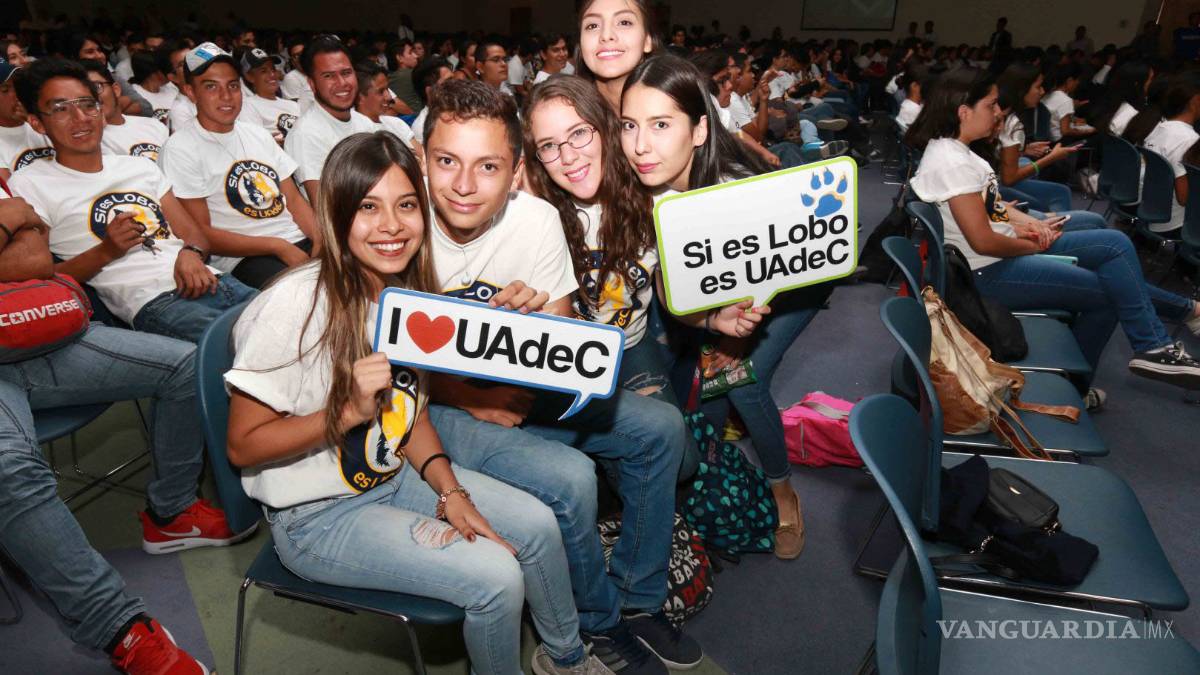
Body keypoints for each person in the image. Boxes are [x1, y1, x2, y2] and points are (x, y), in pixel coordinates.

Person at [224, 130, 608, 675]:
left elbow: (411, 411)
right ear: (336, 214)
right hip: (317, 516)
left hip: (392, 474)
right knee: (498, 579)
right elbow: (242, 446)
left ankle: (566, 660)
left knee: (540, 524)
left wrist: (450, 491)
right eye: (368, 207)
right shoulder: (293, 305)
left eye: (406, 205)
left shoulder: (407, 294)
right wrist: (346, 414)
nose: (391, 225)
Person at [422, 79, 703, 674]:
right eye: (447, 162)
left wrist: (533, 327)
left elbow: (562, 342)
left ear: (514, 172)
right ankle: (595, 624)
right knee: (572, 476)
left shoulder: (538, 217)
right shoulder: (400, 222)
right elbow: (377, 363)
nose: (465, 184)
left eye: (487, 166)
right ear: (423, 160)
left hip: (520, 387)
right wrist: (470, 395)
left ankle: (638, 599)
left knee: (662, 430)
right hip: (429, 406)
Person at [0, 195, 250, 675]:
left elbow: (34, 259)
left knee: (185, 365)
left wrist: (16, 231)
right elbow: (22, 241)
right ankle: (123, 630)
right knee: (10, 469)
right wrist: (7, 222)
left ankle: (172, 513)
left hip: (42, 332)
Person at [621, 54, 829, 560]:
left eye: (661, 125)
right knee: (708, 386)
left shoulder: (731, 188)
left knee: (743, 381)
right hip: (717, 297)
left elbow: (780, 272)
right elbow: (671, 287)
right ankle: (716, 485)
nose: (641, 145)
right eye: (629, 125)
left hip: (789, 287)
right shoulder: (642, 190)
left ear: (698, 131)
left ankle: (783, 492)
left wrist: (728, 334)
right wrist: (712, 320)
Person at [906, 67, 1200, 391]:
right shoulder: (953, 162)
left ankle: (1151, 344)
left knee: (1107, 243)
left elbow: (989, 208)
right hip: (985, 272)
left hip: (987, 262)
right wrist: (1034, 244)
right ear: (964, 112)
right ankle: (1119, 363)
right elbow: (983, 241)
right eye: (990, 105)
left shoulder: (956, 152)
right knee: (1110, 273)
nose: (997, 111)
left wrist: (1029, 225)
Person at [9, 58, 257, 343]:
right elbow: (45, 276)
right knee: (256, 347)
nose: (80, 118)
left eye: (88, 105)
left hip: (214, 280)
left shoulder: (139, 167)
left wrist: (189, 253)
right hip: (155, 302)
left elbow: (194, 235)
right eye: (61, 109)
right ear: (37, 123)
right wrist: (107, 251)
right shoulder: (29, 184)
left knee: (294, 325)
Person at [158, 43, 318, 290]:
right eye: (211, 87)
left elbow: (295, 200)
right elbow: (200, 232)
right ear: (190, 92)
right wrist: (277, 246)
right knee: (305, 292)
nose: (226, 96)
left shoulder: (257, 134)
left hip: (295, 239)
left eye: (232, 85)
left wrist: (321, 239)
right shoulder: (180, 148)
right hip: (245, 257)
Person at [284, 35, 377, 202]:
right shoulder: (306, 134)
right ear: (312, 84)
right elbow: (323, 205)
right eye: (328, 76)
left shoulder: (364, 123)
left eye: (346, 73)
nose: (342, 83)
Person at [994, 62, 1092, 215]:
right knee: (1060, 194)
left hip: (990, 181)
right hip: (996, 187)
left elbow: (997, 150)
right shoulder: (1013, 123)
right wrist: (1051, 158)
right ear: (1022, 89)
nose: (1042, 91)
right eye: (1038, 87)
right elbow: (1009, 179)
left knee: (1059, 191)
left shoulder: (1000, 113)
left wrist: (1024, 150)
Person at [1141, 71, 1200, 239]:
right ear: (1195, 101)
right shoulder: (1189, 140)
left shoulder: (1158, 129)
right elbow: (1184, 198)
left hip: (1153, 212)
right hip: (1179, 222)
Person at [577, 0, 656, 111]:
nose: (606, 35)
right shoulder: (565, 113)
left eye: (624, 23)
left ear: (647, 40)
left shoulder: (676, 107)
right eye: (593, 26)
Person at [80, 61, 168, 161]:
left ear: (116, 90)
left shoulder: (154, 125)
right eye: (82, 93)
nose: (92, 96)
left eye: (96, 87)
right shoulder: (90, 141)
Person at [0, 58, 53, 181]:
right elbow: (9, 189)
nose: (16, 94)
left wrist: (36, 122)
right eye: (5, 90)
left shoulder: (43, 119)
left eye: (17, 85)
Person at [238, 47, 300, 143]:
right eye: (263, 71)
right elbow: (254, 142)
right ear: (249, 76)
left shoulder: (293, 105)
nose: (272, 75)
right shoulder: (248, 106)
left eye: (273, 70)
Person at [354, 60, 418, 150]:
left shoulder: (396, 123)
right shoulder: (356, 136)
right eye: (381, 92)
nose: (389, 97)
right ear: (360, 97)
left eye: (388, 89)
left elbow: (421, 155)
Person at [1089, 61, 1154, 137]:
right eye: (1150, 79)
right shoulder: (1131, 112)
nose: (1152, 83)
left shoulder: (1108, 99)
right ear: (1137, 83)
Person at [1041, 63, 1094, 142]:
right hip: (1060, 141)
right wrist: (1087, 131)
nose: (1078, 83)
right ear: (1070, 80)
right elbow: (1065, 131)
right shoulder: (1066, 100)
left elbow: (1056, 117)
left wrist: (1074, 119)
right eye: (1077, 80)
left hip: (1048, 137)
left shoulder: (1048, 94)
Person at [409, 56, 454, 144]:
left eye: (454, 79)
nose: (456, 85)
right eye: (448, 82)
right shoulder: (422, 128)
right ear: (430, 92)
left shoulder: (461, 109)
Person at [127, 51, 178, 125]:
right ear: (155, 73)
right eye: (165, 70)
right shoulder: (135, 95)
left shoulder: (171, 88)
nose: (170, 73)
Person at [386, 39, 422, 114]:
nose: (416, 56)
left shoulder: (390, 77)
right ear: (399, 58)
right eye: (410, 52)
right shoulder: (412, 74)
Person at [279, 36, 313, 111]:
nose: (300, 58)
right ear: (292, 61)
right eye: (296, 56)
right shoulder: (291, 78)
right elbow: (297, 109)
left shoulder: (318, 72)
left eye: (302, 53)